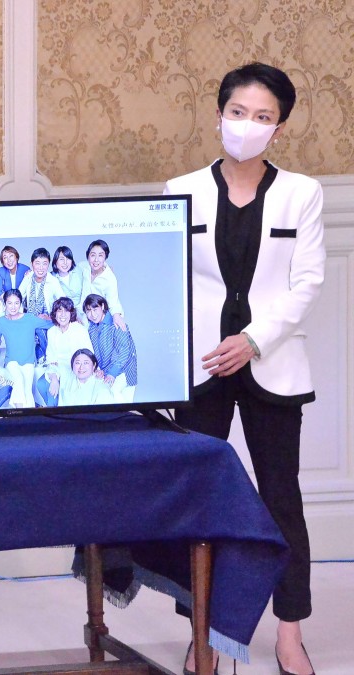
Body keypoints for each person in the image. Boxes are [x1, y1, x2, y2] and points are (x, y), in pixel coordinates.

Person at [164, 62, 324, 675]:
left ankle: (290, 633)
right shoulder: (179, 189)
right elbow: (168, 278)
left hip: (272, 363)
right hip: (201, 366)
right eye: (238, 112)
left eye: (262, 117)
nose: (247, 124)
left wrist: (253, 340)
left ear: (278, 129)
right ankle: (202, 634)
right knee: (199, 502)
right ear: (219, 115)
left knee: (281, 498)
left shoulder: (301, 193)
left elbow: (307, 282)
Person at [0, 289, 52, 408]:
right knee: (18, 381)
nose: (13, 307)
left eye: (16, 303)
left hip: (29, 361)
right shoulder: (2, 321)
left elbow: (49, 324)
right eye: (9, 303)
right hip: (11, 362)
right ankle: (19, 412)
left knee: (27, 389)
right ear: (5, 304)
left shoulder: (29, 318)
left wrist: (65, 318)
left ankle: (28, 416)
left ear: (20, 304)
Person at [35, 297, 92, 406]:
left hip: (75, 370)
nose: (63, 315)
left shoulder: (80, 330)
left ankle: (54, 412)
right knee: (41, 384)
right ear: (55, 314)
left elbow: (89, 354)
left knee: (52, 393)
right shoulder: (52, 331)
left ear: (71, 313)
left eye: (66, 311)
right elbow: (51, 357)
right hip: (57, 368)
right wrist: (54, 378)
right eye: (59, 311)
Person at [83, 294, 138, 403]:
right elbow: (94, 353)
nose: (92, 314)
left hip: (123, 370)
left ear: (103, 306)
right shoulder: (92, 328)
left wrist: (112, 373)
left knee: (112, 394)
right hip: (106, 372)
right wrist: (98, 369)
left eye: (95, 309)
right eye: (88, 311)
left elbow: (124, 352)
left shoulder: (116, 323)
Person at [80, 240, 127, 331]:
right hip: (85, 314)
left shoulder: (109, 278)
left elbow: (113, 301)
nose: (96, 260)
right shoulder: (83, 268)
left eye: (100, 255)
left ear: (105, 257)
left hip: (100, 317)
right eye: (93, 255)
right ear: (88, 256)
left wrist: (116, 315)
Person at [17, 247, 64, 318]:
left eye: (44, 264)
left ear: (48, 265)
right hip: (29, 318)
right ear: (31, 264)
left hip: (48, 319)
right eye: (37, 263)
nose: (41, 267)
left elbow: (63, 302)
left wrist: (51, 317)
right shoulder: (28, 277)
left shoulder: (53, 281)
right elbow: (18, 298)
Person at [52, 245, 86, 314]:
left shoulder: (79, 270)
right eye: (61, 259)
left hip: (82, 311)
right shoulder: (51, 277)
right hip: (63, 313)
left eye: (68, 259)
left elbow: (94, 264)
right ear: (55, 261)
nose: (65, 263)